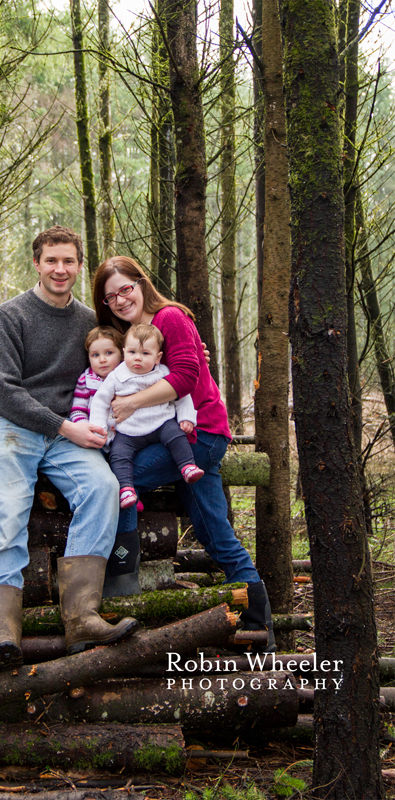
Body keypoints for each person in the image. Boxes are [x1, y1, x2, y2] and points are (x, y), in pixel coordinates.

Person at [0, 227, 138, 673]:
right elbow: (2, 391)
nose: (60, 269)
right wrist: (65, 427)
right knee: (8, 513)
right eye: (51, 261)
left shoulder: (89, 321)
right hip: (10, 426)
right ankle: (3, 635)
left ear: (80, 266)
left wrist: (188, 351)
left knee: (103, 488)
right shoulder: (9, 316)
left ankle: (82, 616)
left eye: (68, 261)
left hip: (67, 434)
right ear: (37, 264)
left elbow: (137, 346)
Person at [92, 256, 276, 652]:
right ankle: (258, 631)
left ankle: (120, 580)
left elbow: (186, 377)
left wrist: (131, 404)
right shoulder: (137, 340)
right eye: (111, 297)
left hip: (199, 435)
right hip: (177, 440)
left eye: (126, 288)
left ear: (142, 282)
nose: (121, 299)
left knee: (112, 483)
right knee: (216, 533)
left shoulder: (170, 317)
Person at [90, 323, 203, 510]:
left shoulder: (163, 372)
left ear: (158, 357)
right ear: (124, 352)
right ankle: (126, 489)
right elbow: (100, 402)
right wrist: (99, 427)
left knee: (177, 437)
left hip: (161, 423)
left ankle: (187, 466)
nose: (137, 359)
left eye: (145, 354)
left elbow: (181, 395)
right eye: (132, 352)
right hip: (128, 431)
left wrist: (187, 418)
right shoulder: (116, 376)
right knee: (118, 455)